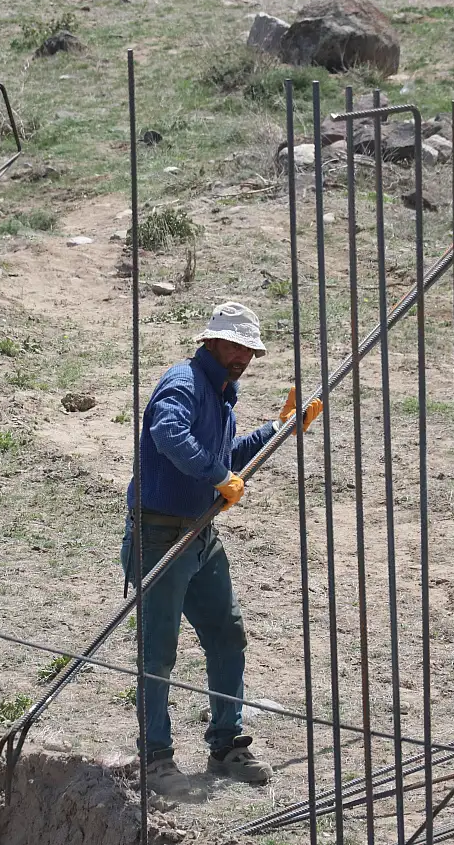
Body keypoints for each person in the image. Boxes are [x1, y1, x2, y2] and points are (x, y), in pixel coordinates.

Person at [122, 301, 323, 796]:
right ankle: (156, 757)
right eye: (237, 347)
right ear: (212, 342)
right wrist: (218, 478)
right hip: (159, 535)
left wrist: (278, 431)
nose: (243, 358)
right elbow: (168, 435)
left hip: (199, 534)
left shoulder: (222, 392)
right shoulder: (183, 383)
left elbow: (222, 456)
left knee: (227, 634)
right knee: (159, 652)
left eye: (250, 351)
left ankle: (227, 744)